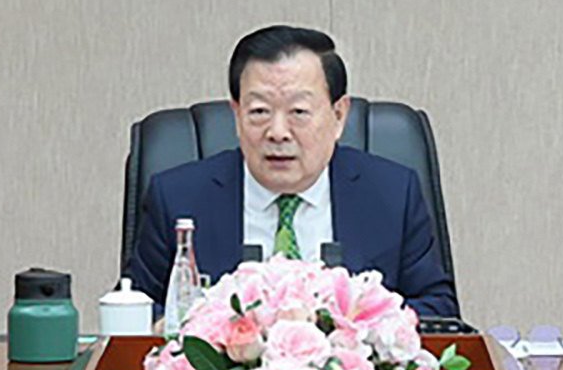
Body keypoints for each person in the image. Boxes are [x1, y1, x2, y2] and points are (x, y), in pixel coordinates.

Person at [125, 26, 457, 323]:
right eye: (259, 112)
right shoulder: (178, 198)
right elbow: (134, 308)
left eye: (298, 112)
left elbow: (438, 310)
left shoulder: (392, 194)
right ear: (236, 115)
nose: (278, 132)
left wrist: (357, 324)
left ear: (338, 115)